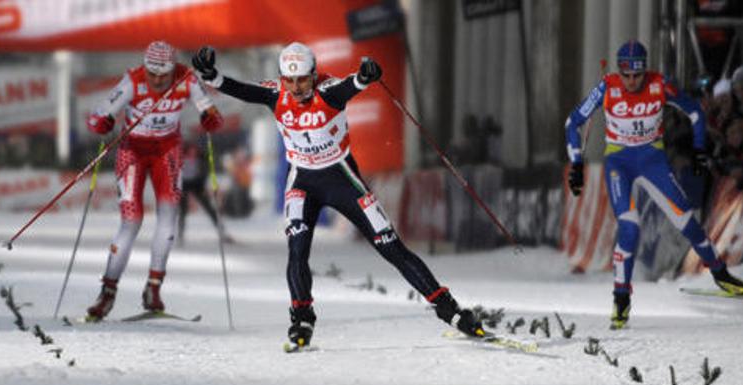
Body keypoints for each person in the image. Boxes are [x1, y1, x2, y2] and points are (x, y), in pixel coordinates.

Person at [191, 42, 484, 347]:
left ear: (314, 75)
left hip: (342, 180)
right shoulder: (276, 93)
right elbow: (241, 89)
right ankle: (302, 318)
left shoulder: (326, 90)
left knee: (391, 247)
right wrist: (211, 75)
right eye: (289, 80)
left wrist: (365, 76)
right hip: (302, 182)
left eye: (302, 79)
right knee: (297, 250)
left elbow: (350, 86)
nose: (295, 87)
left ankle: (450, 310)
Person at [564, 39, 743, 330]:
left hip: (653, 160)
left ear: (645, 70)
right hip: (619, 164)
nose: (631, 81)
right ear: (619, 71)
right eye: (626, 74)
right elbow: (572, 122)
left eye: (637, 74)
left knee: (687, 223)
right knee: (630, 227)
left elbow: (694, 112)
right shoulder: (608, 87)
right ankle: (621, 298)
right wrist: (576, 162)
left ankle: (722, 275)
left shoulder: (658, 84)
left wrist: (700, 149)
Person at [85, 41, 223, 321]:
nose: (158, 79)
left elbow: (211, 111)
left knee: (168, 217)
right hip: (132, 149)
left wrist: (211, 118)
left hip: (167, 150)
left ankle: (153, 288)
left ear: (173, 69)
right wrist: (102, 123)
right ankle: (107, 292)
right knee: (131, 220)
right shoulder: (133, 80)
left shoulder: (186, 78)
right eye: (152, 73)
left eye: (164, 74)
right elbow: (98, 115)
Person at [178, 141, 235, 246]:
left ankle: (222, 233)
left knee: (210, 209)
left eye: (194, 152)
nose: (192, 154)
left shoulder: (201, 159)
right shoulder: (180, 157)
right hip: (184, 185)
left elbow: (205, 171)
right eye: (190, 152)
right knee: (182, 211)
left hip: (197, 185)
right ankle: (180, 235)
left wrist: (211, 161)